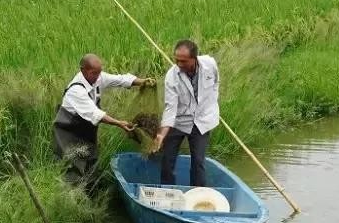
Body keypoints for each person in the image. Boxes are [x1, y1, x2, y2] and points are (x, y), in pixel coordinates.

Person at [52, 53, 155, 191]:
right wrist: (120, 123)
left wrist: (142, 81)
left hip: (85, 130)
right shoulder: (76, 90)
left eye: (99, 72)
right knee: (74, 166)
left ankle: (91, 196)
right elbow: (96, 114)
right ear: (83, 70)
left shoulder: (98, 77)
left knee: (91, 162)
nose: (98, 76)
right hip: (68, 132)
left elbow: (121, 80)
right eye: (94, 73)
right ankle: (71, 200)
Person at [151, 40, 220, 187]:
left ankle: (198, 195)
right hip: (178, 121)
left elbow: (215, 83)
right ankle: (168, 191)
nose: (179, 64)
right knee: (168, 159)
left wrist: (211, 103)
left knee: (198, 161)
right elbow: (170, 107)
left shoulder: (210, 64)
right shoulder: (172, 76)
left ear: (194, 58)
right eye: (177, 60)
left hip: (202, 120)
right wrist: (162, 134)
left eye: (183, 61)